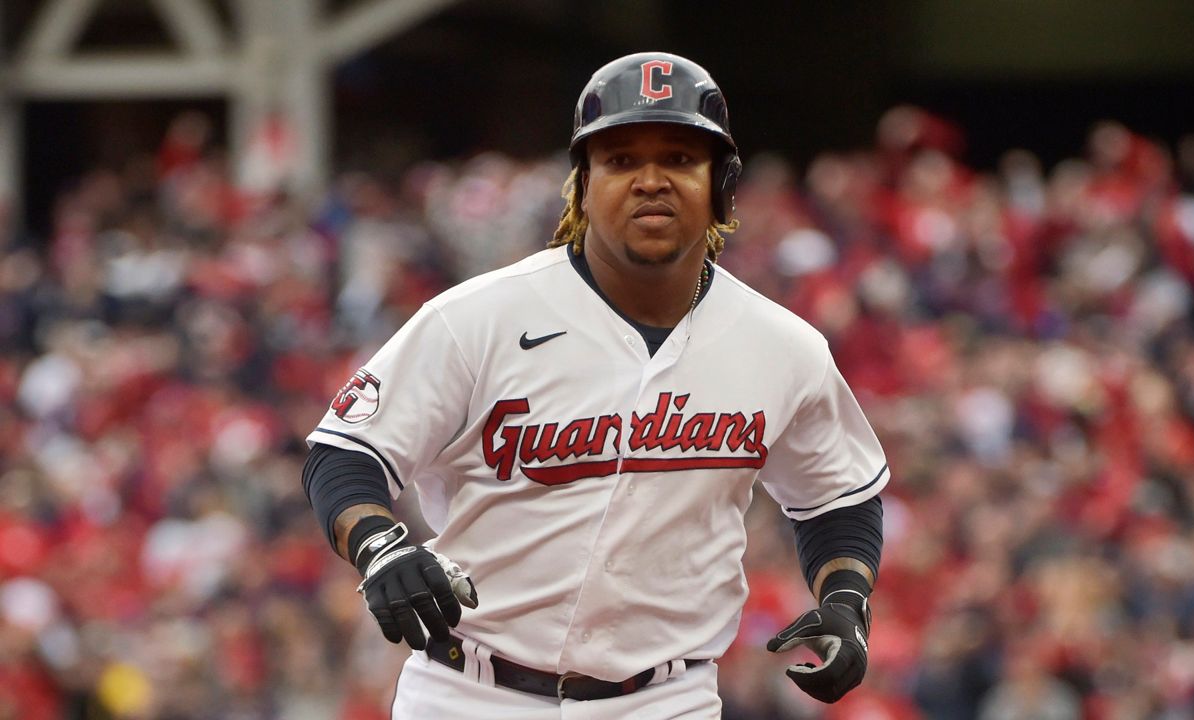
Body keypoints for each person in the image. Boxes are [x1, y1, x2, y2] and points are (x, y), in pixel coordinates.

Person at [302, 51, 889, 718]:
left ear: (722, 185)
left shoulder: (782, 347)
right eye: (619, 161)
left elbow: (839, 495)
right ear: (580, 186)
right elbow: (344, 453)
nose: (650, 181)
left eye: (679, 159)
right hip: (467, 693)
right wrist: (382, 547)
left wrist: (847, 603)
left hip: (665, 700)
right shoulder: (477, 319)